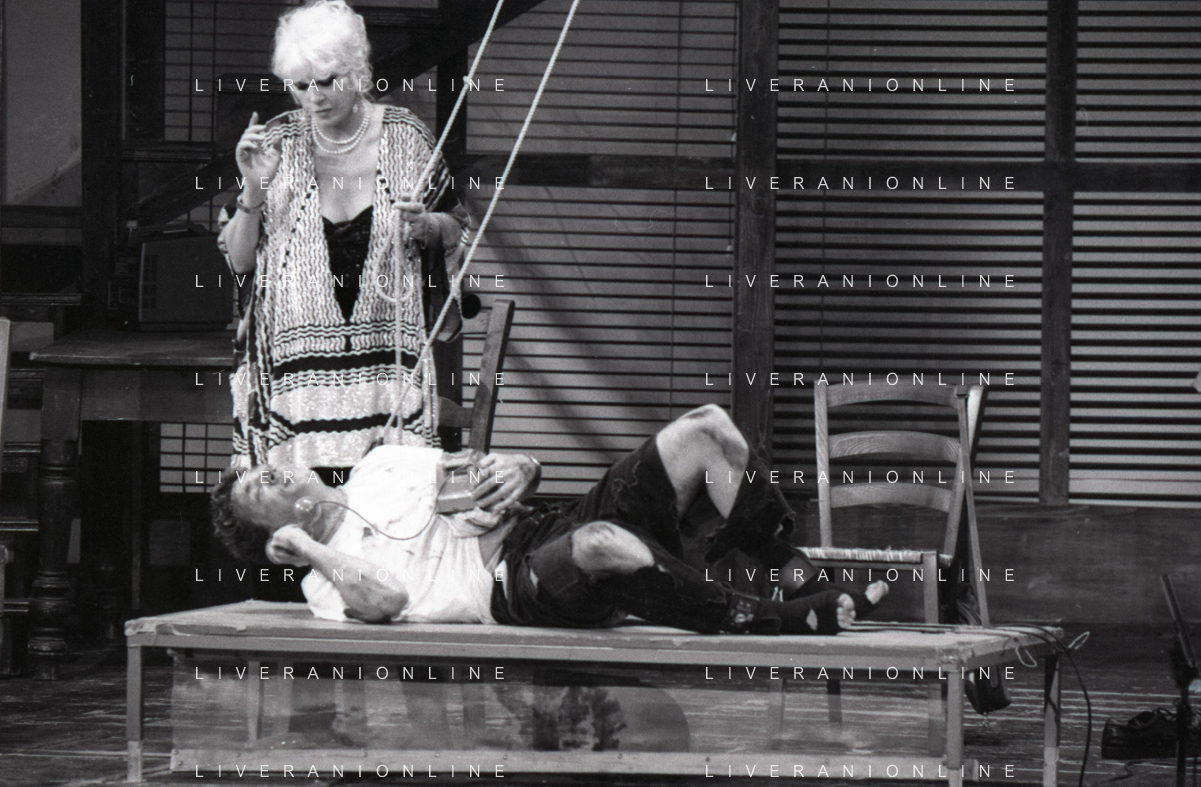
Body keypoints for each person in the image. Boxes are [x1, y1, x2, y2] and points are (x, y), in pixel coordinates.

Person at [212, 404, 887, 635]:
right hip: (517, 587)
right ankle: (771, 618)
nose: (269, 471)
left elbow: (481, 470)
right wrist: (311, 549)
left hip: (545, 524)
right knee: (600, 544)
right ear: (274, 535)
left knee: (706, 429)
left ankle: (789, 569)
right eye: (257, 489)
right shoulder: (324, 583)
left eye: (263, 467)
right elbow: (385, 600)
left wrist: (521, 465)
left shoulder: (380, 463)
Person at [218, 0, 471, 472]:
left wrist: (426, 226)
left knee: (385, 501)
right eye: (300, 86)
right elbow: (240, 261)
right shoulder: (276, 140)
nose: (314, 97)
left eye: (327, 81)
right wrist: (253, 188)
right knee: (300, 506)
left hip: (387, 372)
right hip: (293, 382)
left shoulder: (406, 136)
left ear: (356, 71)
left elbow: (456, 225)